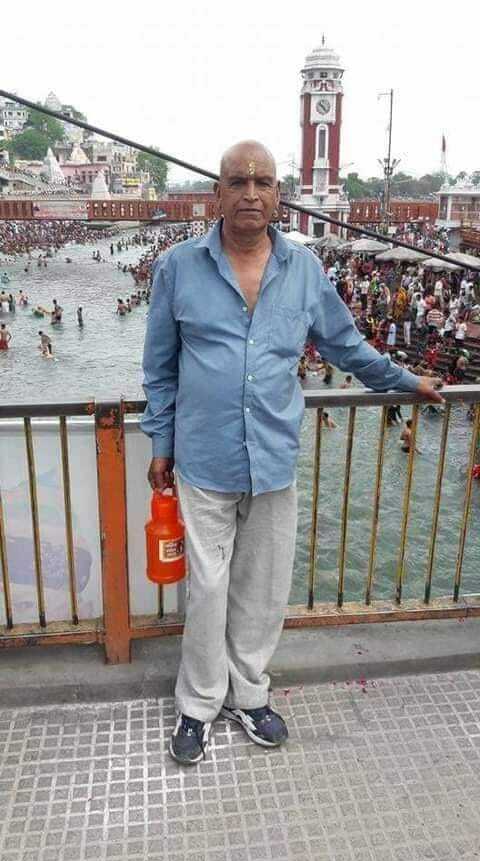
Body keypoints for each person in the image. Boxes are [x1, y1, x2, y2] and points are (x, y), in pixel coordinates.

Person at [140, 140, 443, 766]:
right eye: (238, 182)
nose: (251, 193)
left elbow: (345, 346)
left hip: (274, 458)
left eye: (263, 183)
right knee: (208, 588)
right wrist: (161, 443)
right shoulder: (178, 267)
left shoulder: (303, 269)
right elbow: (160, 368)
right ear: (218, 194)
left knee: (263, 588)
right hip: (203, 460)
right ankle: (199, 703)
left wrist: (405, 380)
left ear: (278, 196)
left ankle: (249, 694)